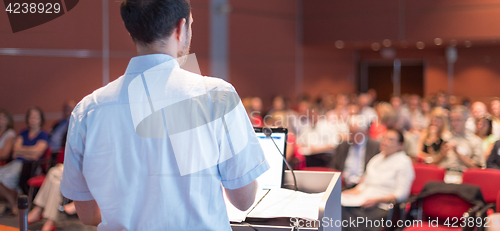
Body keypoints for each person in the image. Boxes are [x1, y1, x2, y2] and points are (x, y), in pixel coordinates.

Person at [60, 1, 269, 230]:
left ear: (132, 30)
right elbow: (243, 200)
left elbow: (88, 215)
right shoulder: (217, 96)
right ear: (181, 28)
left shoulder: (87, 110)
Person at [341, 129, 415, 231]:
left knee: (346, 216)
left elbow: (402, 194)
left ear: (400, 145)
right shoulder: (376, 159)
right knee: (338, 207)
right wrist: (349, 193)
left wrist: (376, 200)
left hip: (382, 206)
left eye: (391, 140)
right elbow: (364, 185)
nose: (385, 142)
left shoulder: (404, 162)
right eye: (384, 138)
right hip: (362, 201)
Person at [0, 107, 49, 215]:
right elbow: (15, 151)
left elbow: (38, 153)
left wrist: (22, 151)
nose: (33, 120)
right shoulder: (23, 132)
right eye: (31, 117)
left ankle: (13, 205)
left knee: (6, 179)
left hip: (31, 166)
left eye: (36, 117)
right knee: (2, 178)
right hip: (16, 163)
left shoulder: (43, 134)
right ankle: (13, 204)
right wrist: (31, 151)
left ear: (41, 119)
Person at [329, 117, 380, 189]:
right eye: (350, 133)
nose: (352, 137)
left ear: (364, 132)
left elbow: (379, 170)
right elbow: (333, 166)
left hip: (365, 186)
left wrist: (367, 178)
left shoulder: (375, 147)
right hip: (344, 185)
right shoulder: (343, 145)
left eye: (355, 133)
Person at [433, 106, 483, 171]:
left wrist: (457, 153)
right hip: (443, 174)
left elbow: (477, 168)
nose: (454, 123)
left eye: (458, 120)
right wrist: (442, 154)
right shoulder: (445, 138)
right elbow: (433, 163)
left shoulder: (475, 141)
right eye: (452, 120)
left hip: (463, 176)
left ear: (465, 120)